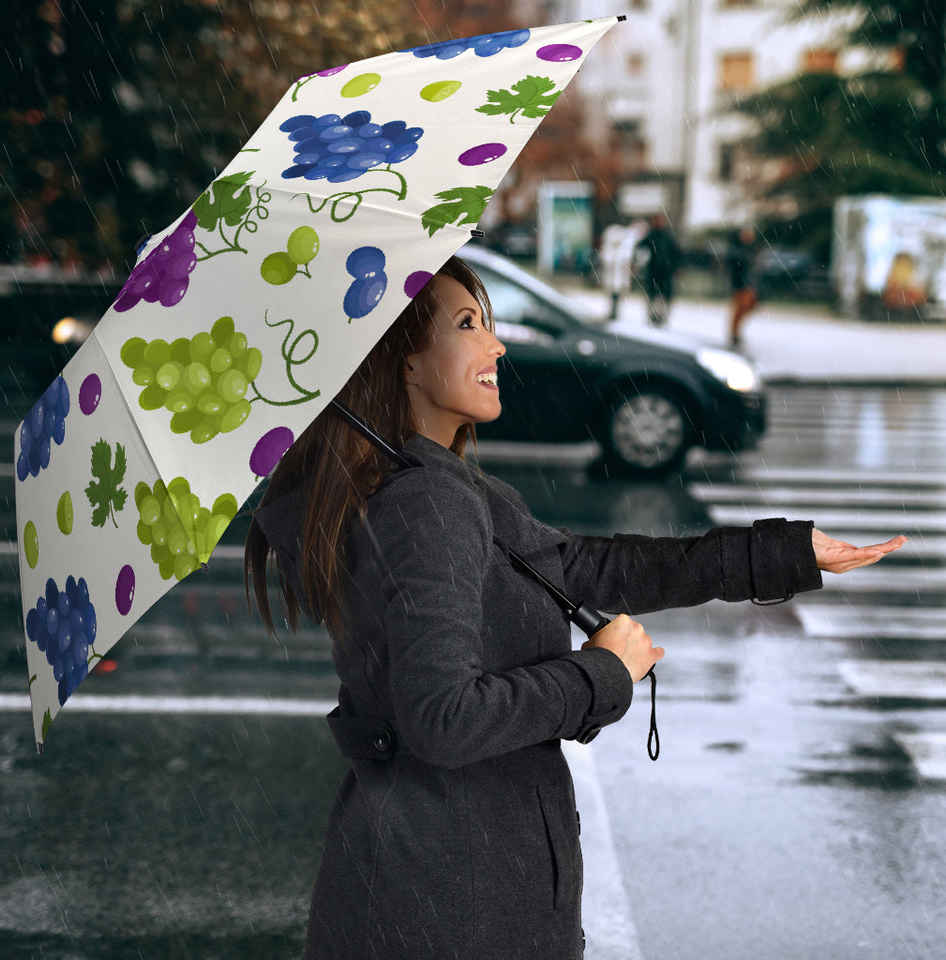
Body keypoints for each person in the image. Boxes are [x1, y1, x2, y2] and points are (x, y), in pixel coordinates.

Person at [244, 256, 905, 960]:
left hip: (439, 883)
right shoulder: (426, 504)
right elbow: (442, 719)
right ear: (402, 362)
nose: (496, 345)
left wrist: (782, 554)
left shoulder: (435, 488)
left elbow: (589, 567)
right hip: (452, 902)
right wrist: (600, 673)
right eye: (468, 325)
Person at [634, 213, 681, 327]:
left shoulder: (667, 237)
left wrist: (676, 267)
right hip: (654, 270)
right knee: (653, 294)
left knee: (663, 295)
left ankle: (661, 316)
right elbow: (640, 249)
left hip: (665, 271)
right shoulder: (651, 236)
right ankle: (653, 315)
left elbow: (676, 253)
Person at [727, 226, 758, 347]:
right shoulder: (736, 250)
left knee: (748, 306)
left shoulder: (749, 249)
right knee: (740, 308)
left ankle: (736, 331)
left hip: (749, 283)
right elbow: (736, 265)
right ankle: (734, 333)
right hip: (740, 284)